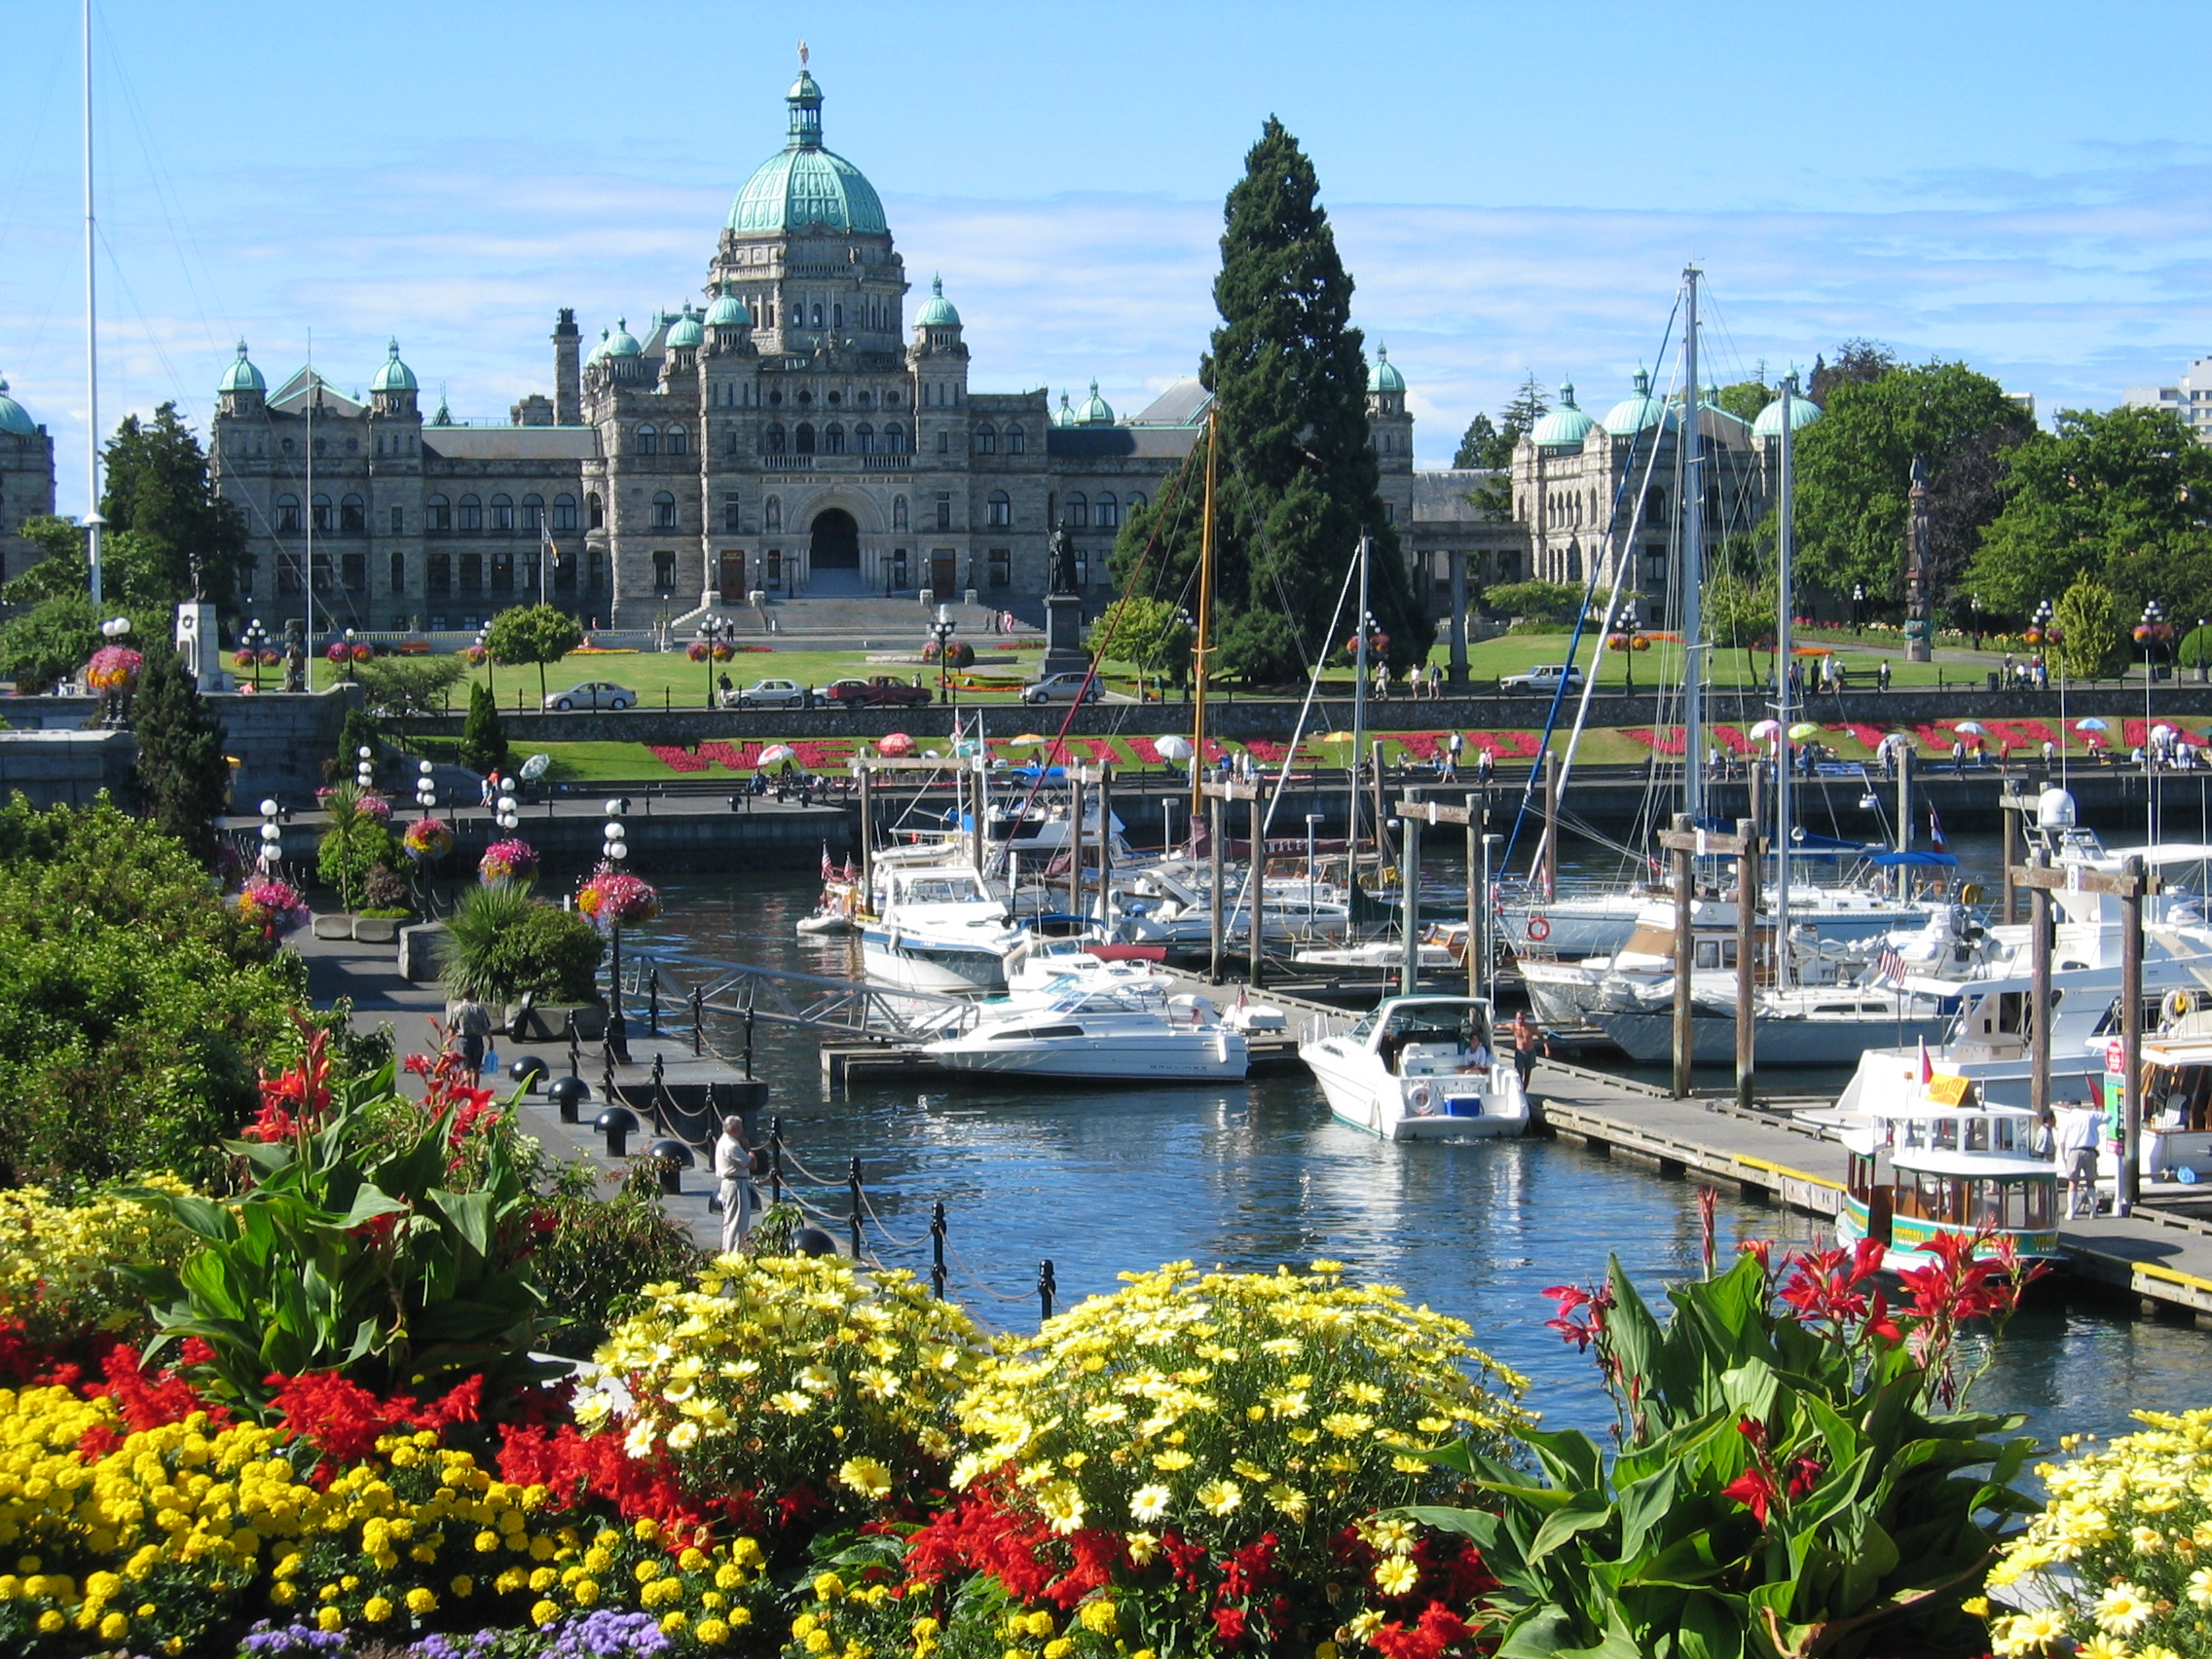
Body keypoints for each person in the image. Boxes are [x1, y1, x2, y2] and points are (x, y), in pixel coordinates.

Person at [713, 1114, 757, 1255]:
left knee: (729, 1221)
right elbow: (752, 1164)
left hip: (728, 1183)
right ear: (734, 1129)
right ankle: (734, 1252)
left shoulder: (723, 1141)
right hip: (736, 1183)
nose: (742, 1131)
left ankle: (727, 1250)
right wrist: (749, 1150)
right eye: (740, 1128)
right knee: (737, 1222)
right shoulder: (732, 1146)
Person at [2056, 1100, 2103, 1218]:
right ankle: (2093, 1211)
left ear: (2070, 1106)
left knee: (2073, 1182)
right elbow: (2107, 1117)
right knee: (2091, 1182)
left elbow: (2062, 1141)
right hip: (2090, 1150)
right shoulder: (2090, 1115)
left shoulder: (2067, 1118)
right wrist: (2100, 1110)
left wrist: (2064, 1156)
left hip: (2074, 1151)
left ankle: (2071, 1211)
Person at [448, 993, 493, 1087]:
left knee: (465, 1067)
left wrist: (448, 1043)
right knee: (476, 1068)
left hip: (462, 1040)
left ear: (462, 996)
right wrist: (490, 1040)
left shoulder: (457, 1009)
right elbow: (486, 1027)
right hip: (477, 1039)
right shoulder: (479, 1009)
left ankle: (468, 1089)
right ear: (474, 995)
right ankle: (475, 1089)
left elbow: (452, 1028)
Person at [1510, 1011, 1548, 1090]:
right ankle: (1519, 1090)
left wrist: (1546, 1049)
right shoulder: (1513, 1026)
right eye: (1519, 1019)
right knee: (1519, 1072)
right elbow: (1498, 1026)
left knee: (1528, 1073)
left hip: (1530, 1051)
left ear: (1525, 1018)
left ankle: (1524, 1090)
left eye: (1522, 1019)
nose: (1520, 1021)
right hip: (1520, 1051)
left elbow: (1541, 1037)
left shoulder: (1531, 1027)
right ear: (1516, 1018)